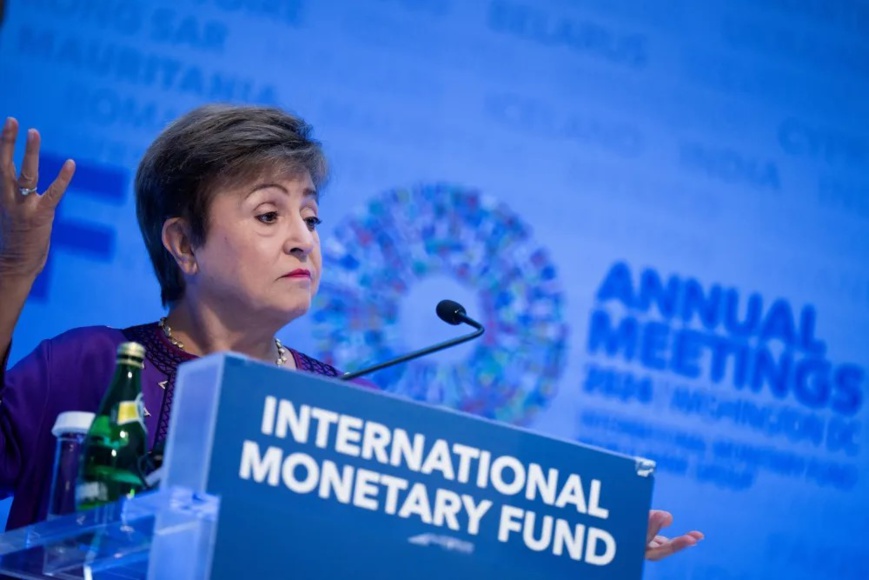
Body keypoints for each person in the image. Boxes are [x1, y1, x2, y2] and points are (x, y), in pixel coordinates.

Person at [0, 105, 702, 560]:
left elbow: (412, 553)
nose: (304, 239)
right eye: (269, 215)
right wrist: (10, 272)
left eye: (311, 216)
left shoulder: (338, 410)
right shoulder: (91, 364)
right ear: (183, 245)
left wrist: (577, 549)